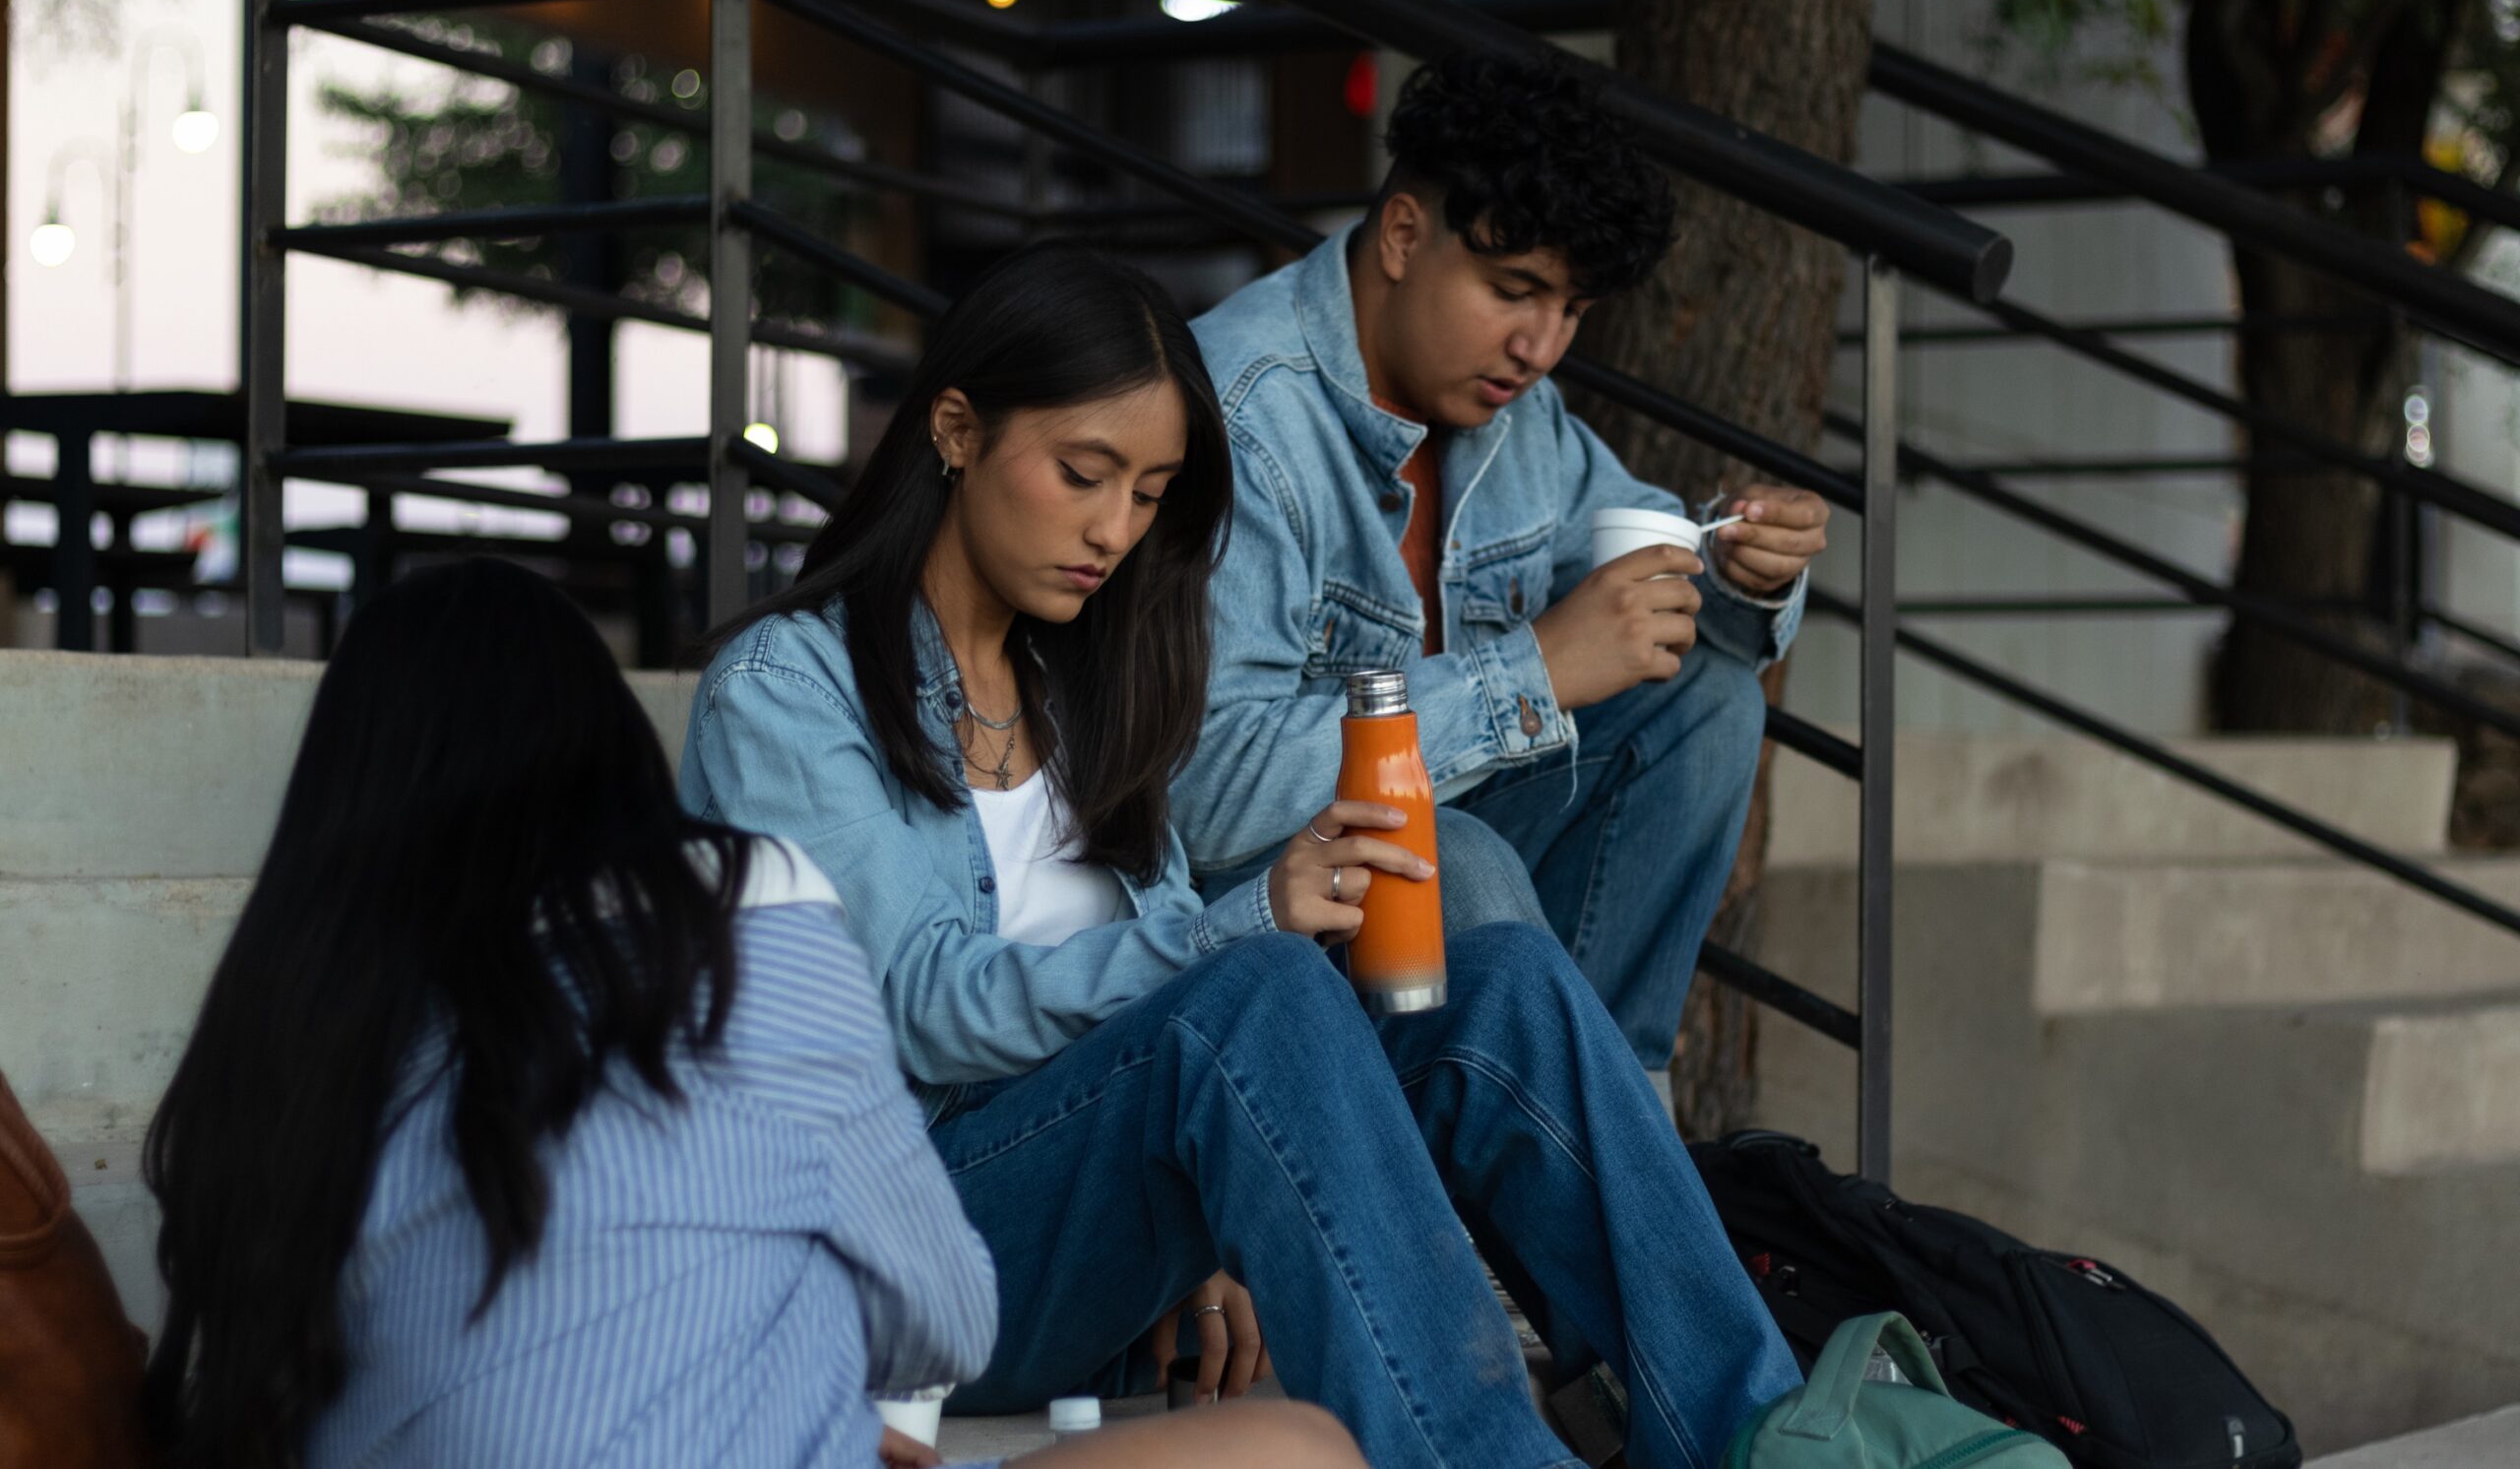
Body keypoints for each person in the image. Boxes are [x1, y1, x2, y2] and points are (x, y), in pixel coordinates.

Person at [682, 243, 1798, 1469]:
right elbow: (916, 1011)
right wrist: (1240, 925)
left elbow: (1160, 1013)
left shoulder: (1084, 676)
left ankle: (1764, 1437)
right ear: (955, 431)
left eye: (1151, 494)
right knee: (1257, 986)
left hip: (1089, 1234)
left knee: (1491, 980)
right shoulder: (792, 690)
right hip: (911, 1251)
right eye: (1083, 474)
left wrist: (1226, 1226)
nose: (1114, 530)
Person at [141, 557, 1354, 1469]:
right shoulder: (745, 924)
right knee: (1291, 1450)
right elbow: (946, 1308)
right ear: (608, 751)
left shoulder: (277, 1045)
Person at [1176, 50, 1834, 1075]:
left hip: (1436, 880)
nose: (1538, 346)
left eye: (1570, 310)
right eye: (1514, 290)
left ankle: (1599, 1120)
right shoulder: (1238, 420)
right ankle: (1574, 1161)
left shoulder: (1511, 413)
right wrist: (1533, 672)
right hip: (1255, 909)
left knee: (1707, 696)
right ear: (1402, 235)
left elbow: (1641, 535)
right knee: (1457, 853)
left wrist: (1745, 568)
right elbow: (1207, 798)